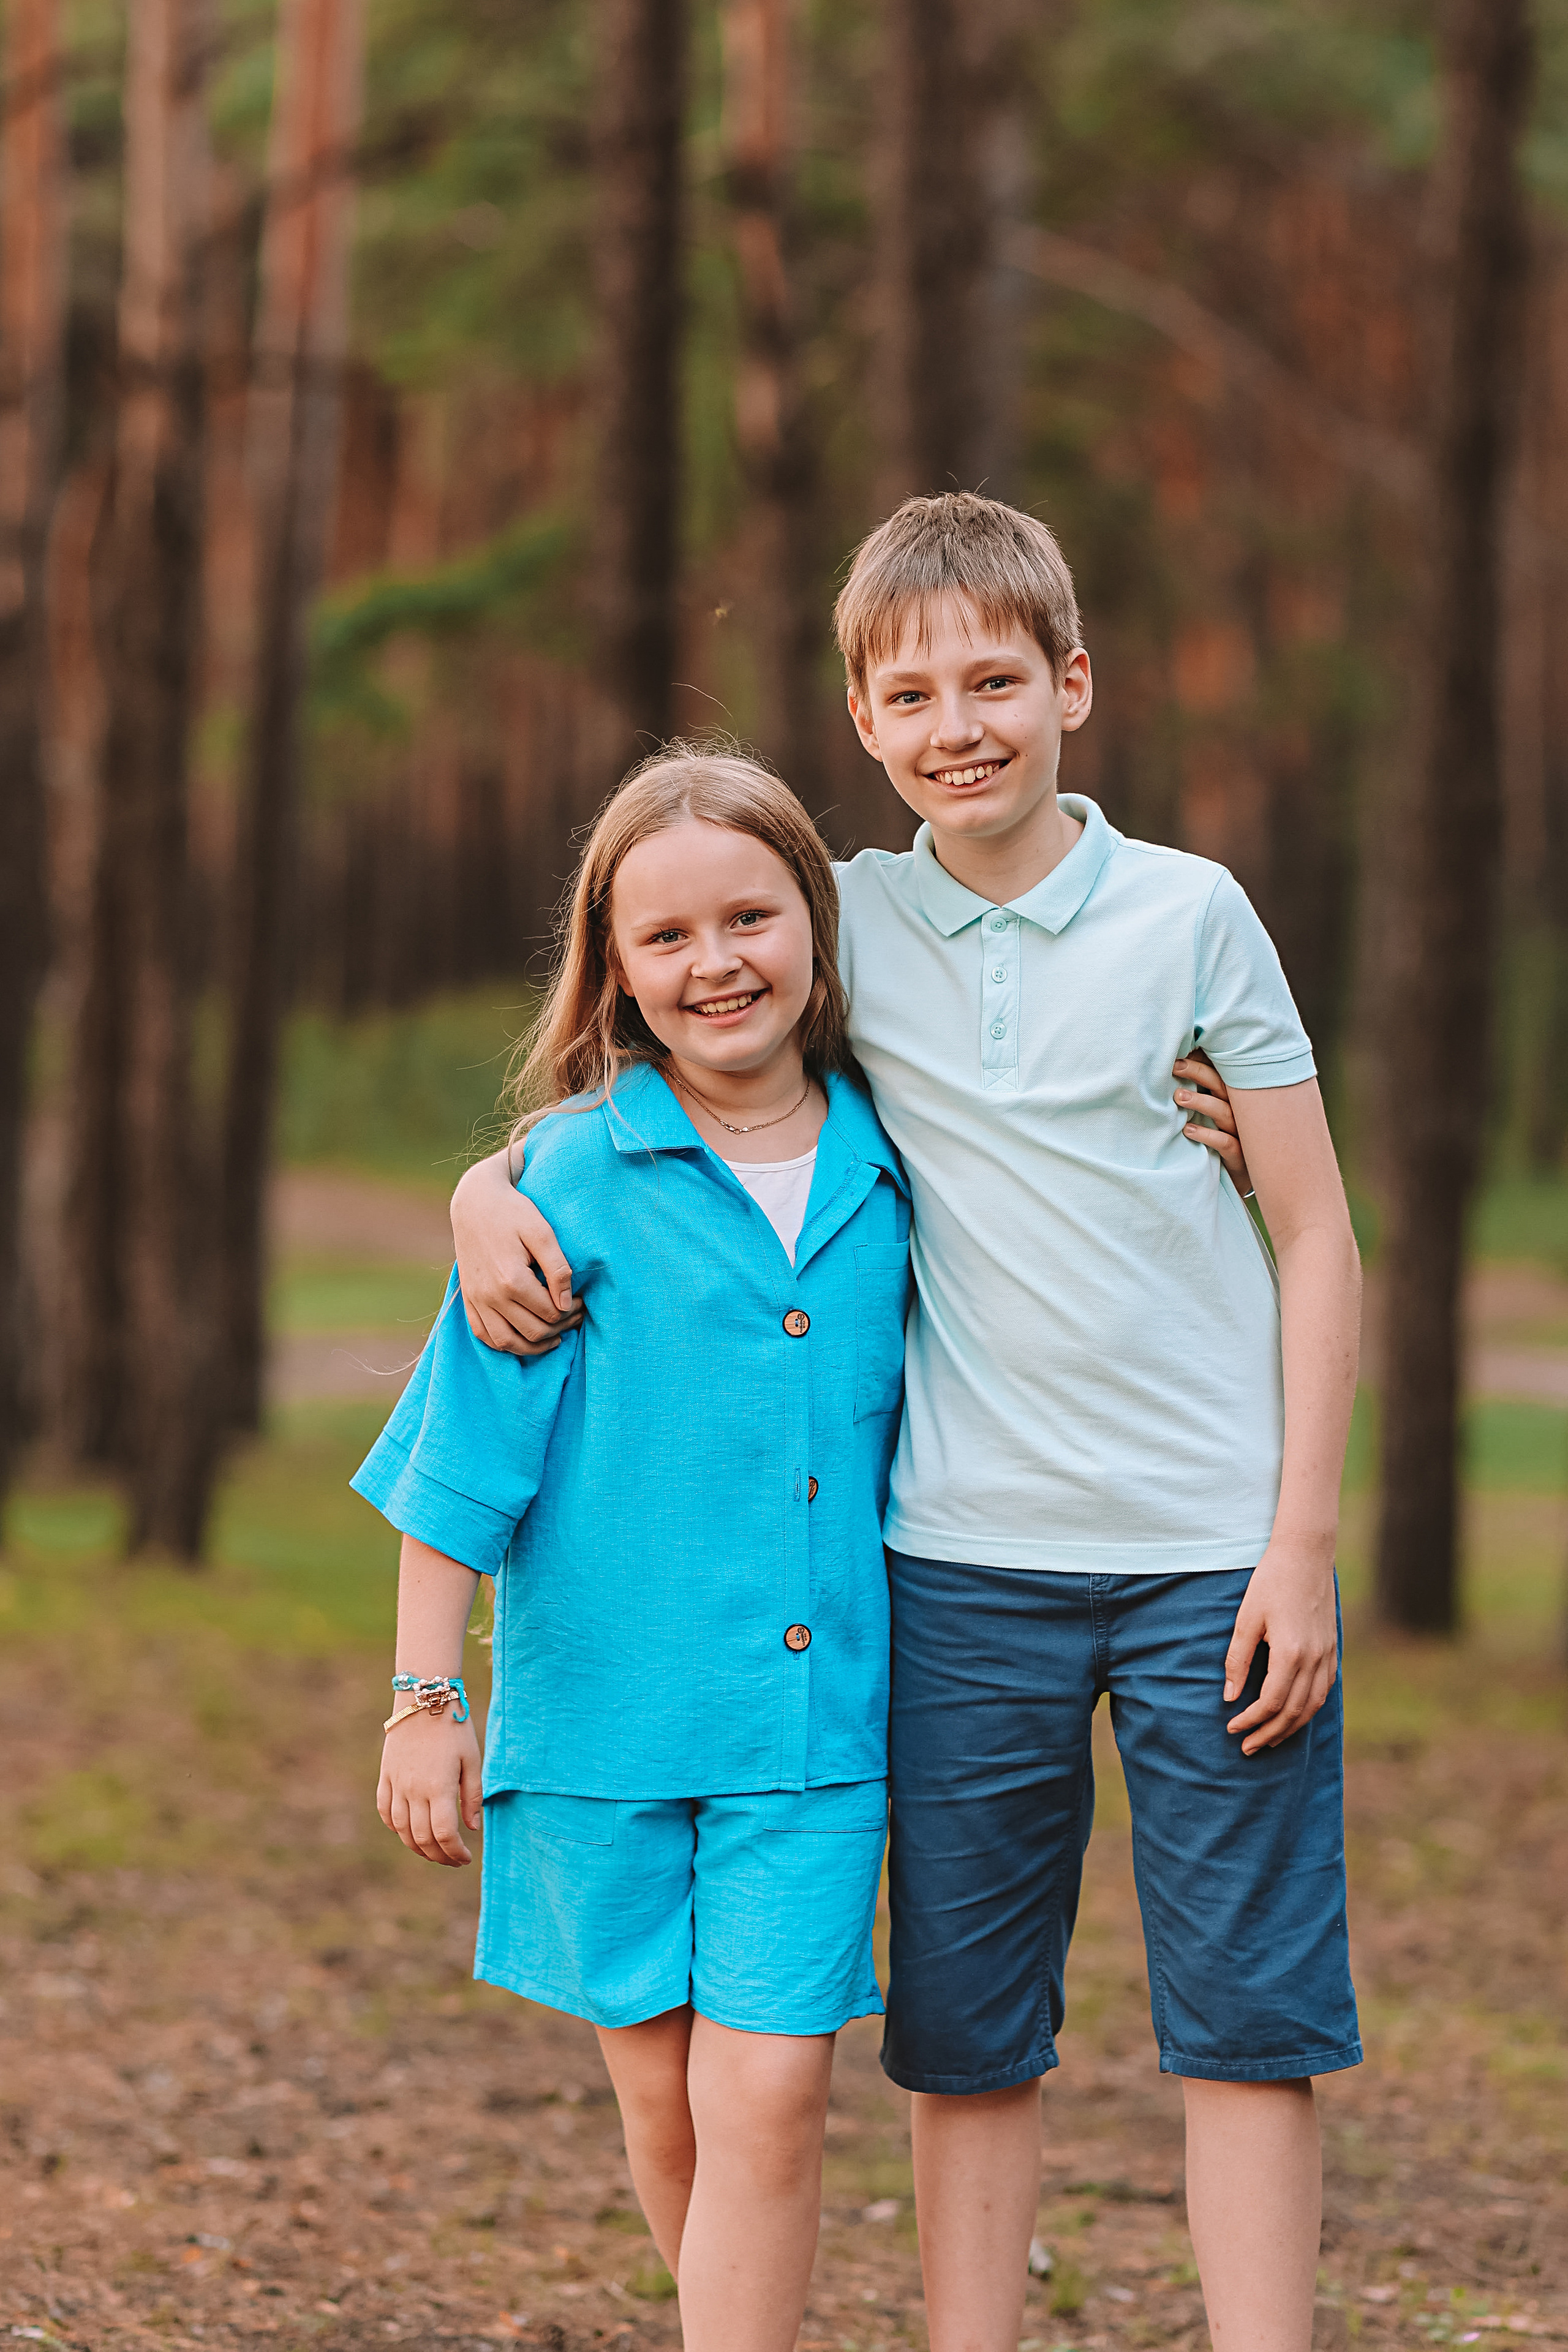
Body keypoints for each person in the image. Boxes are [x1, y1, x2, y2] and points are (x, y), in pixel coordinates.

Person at [449, 492, 1363, 2352]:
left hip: (1211, 1550)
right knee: (968, 2035)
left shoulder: (1195, 915)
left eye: (999, 682)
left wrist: (1301, 1542)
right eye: (916, 694)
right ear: (862, 724)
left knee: (1249, 2023)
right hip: (955, 1562)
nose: (963, 724)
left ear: (1074, 685)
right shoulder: (849, 921)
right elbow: (677, 1030)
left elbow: (1319, 1227)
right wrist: (484, 1187)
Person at [355, 748, 916, 2352]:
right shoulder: (563, 1187)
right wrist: (423, 1699)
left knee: (776, 2096)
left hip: (811, 1742)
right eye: (666, 937)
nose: (716, 961)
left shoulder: (900, 1165)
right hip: (603, 1732)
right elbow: (461, 1469)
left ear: (814, 923)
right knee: (671, 2113)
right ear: (615, 968)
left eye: (751, 916)